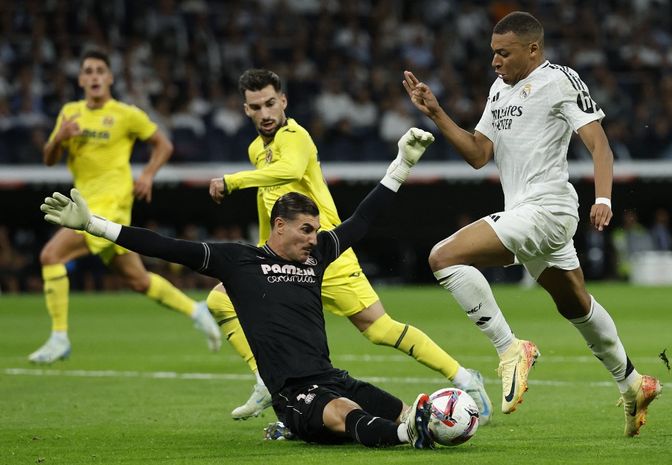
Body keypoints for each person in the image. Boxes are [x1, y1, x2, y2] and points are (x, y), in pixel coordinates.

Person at [41, 128, 440, 449]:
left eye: (316, 231)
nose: (313, 238)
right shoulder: (239, 261)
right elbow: (165, 246)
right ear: (278, 225)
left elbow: (361, 220)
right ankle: (408, 437)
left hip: (332, 376)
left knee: (401, 408)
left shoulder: (317, 256)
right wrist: (94, 225)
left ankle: (423, 425)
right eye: (306, 230)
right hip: (292, 394)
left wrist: (401, 164)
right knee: (346, 413)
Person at [403, 11, 661, 437]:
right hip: (527, 211)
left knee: (442, 257)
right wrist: (436, 113)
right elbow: (478, 154)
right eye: (492, 53)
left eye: (503, 53)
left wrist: (603, 197)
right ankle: (633, 382)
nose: (495, 62)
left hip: (548, 208)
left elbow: (599, 144)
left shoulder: (558, 80)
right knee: (574, 302)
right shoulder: (497, 91)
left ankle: (511, 349)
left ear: (533, 49)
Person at [206, 69, 492, 424]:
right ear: (245, 110)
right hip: (286, 258)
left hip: (325, 253)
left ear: (283, 102)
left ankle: (464, 378)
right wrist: (263, 250)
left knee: (378, 329)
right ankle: (267, 379)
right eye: (255, 107)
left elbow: (288, 170)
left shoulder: (296, 137)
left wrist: (232, 181)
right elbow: (269, 204)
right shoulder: (255, 150)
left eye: (269, 103)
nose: (264, 113)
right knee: (221, 298)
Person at [29, 49, 221, 364]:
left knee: (51, 255)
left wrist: (147, 175)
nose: (94, 76)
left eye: (99, 71)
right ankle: (195, 309)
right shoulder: (70, 113)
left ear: (109, 78)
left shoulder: (125, 114)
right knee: (138, 280)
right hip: (84, 200)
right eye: (88, 71)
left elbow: (164, 144)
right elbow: (49, 160)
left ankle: (59, 337)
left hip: (110, 205)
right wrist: (59, 138)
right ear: (80, 79)